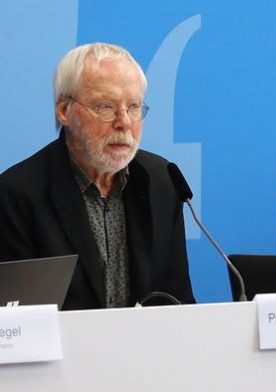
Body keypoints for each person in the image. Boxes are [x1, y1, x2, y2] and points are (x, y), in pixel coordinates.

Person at [0, 43, 195, 309]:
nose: (124, 122)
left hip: (148, 348)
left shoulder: (162, 180)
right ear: (64, 111)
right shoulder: (18, 194)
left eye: (134, 107)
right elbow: (17, 322)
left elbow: (178, 300)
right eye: (106, 106)